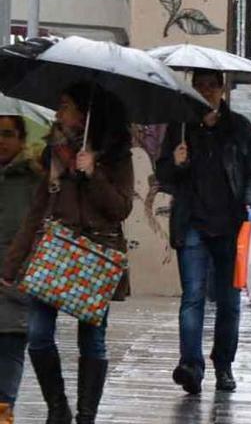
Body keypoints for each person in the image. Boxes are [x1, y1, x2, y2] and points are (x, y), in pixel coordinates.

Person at [2, 83, 134, 423]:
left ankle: (86, 414)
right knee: (39, 336)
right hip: (54, 255)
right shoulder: (54, 153)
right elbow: (36, 212)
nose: (59, 113)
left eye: (65, 106)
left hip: (96, 257)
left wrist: (93, 173)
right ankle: (57, 408)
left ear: (86, 114)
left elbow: (120, 208)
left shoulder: (116, 155)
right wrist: (11, 264)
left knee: (92, 340)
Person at [157, 69, 251, 395]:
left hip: (231, 227)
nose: (206, 91)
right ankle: (191, 366)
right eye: (199, 85)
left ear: (223, 89)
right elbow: (163, 174)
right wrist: (176, 163)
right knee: (192, 297)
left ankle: (223, 365)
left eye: (212, 85)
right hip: (192, 223)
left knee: (229, 303)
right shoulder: (180, 127)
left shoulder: (240, 129)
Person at [0, 115, 42, 422]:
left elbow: (39, 232)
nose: (1, 140)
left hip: (14, 283)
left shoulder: (34, 180)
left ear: (21, 139)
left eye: (8, 133)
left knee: (10, 349)